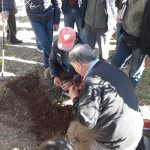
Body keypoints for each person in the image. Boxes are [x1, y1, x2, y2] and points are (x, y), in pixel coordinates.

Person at [68, 44, 143, 150]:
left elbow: (87, 120)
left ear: (78, 65)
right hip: (135, 129)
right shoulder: (110, 67)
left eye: (74, 67)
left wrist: (75, 98)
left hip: (117, 142)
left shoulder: (92, 81)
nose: (75, 70)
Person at [111, 0, 150, 87]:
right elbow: (121, 3)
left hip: (141, 44)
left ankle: (127, 93)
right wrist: (120, 9)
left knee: (134, 74)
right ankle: (112, 85)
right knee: (114, 64)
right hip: (125, 36)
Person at [44, 27, 84, 92]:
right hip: (64, 69)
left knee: (84, 85)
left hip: (77, 72)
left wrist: (73, 82)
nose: (65, 48)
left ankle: (71, 82)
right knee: (48, 73)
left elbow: (86, 71)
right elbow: (52, 61)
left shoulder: (83, 48)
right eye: (64, 45)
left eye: (68, 46)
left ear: (75, 40)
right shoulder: (57, 44)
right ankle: (65, 81)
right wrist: (55, 76)